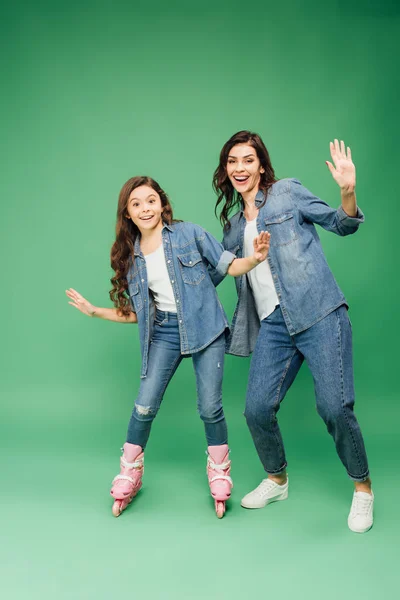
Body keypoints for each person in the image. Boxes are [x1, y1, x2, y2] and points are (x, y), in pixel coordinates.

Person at [66, 175, 270, 518]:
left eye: (150, 200)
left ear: (162, 203)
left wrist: (255, 259)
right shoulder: (130, 258)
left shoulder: (189, 233)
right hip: (164, 332)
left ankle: (219, 470)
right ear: (127, 214)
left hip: (206, 328)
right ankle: (130, 471)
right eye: (136, 204)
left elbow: (228, 265)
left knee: (209, 407)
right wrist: (94, 311)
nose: (145, 208)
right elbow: (138, 314)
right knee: (144, 405)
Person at [211, 131, 373, 532]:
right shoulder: (232, 228)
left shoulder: (287, 193)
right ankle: (277, 479)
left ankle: (363, 489)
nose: (240, 168)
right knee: (256, 409)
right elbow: (218, 271)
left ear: (261, 165)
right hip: (275, 325)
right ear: (225, 169)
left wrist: (348, 192)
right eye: (232, 161)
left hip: (319, 312)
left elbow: (342, 224)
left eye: (248, 160)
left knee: (334, 408)